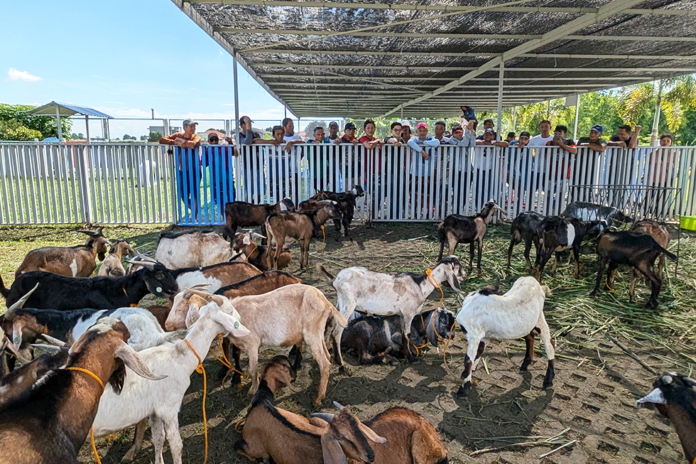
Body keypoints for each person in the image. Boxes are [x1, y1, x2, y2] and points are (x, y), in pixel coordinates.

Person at [160, 119, 202, 220]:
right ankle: (195, 210)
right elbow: (162, 140)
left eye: (194, 126)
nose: (193, 128)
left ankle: (195, 216)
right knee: (183, 195)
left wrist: (183, 142)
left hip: (195, 170)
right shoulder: (178, 135)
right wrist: (175, 142)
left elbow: (193, 144)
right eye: (191, 126)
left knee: (195, 192)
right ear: (185, 127)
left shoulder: (196, 136)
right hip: (182, 170)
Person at [445, 122, 476, 212]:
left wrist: (471, 131)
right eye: (456, 133)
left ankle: (460, 210)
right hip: (457, 170)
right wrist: (467, 131)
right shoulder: (451, 140)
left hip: (467, 170)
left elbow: (473, 144)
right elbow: (464, 144)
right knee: (457, 192)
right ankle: (455, 210)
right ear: (453, 133)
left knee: (465, 192)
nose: (458, 134)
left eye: (460, 132)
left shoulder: (464, 138)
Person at [205, 133, 234, 207]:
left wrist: (230, 142)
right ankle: (224, 217)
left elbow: (233, 152)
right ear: (209, 141)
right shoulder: (208, 151)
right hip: (216, 180)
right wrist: (205, 151)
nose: (214, 142)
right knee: (219, 201)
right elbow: (204, 163)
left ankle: (230, 217)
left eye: (216, 140)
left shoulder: (223, 148)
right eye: (212, 140)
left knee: (232, 199)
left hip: (228, 178)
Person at [307, 126, 331, 191]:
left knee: (325, 192)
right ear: (314, 135)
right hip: (315, 174)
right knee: (318, 192)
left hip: (325, 173)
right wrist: (313, 145)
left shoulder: (326, 144)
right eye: (318, 134)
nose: (320, 136)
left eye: (322, 134)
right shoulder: (309, 143)